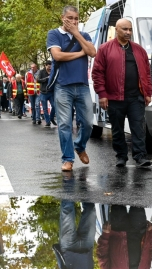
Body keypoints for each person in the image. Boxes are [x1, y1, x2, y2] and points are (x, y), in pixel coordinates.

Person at [92, 19, 152, 168]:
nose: (128, 32)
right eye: (125, 29)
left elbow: (147, 73)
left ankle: (140, 157)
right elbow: (98, 73)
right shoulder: (104, 49)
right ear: (117, 30)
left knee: (138, 128)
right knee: (117, 129)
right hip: (114, 97)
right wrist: (102, 94)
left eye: (130, 29)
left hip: (135, 97)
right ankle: (121, 156)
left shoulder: (139, 50)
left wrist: (147, 92)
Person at [47, 5, 97, 172]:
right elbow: (58, 55)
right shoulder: (54, 34)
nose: (74, 21)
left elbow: (92, 52)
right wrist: (81, 53)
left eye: (76, 18)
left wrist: (76, 33)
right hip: (62, 86)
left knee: (88, 123)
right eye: (70, 18)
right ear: (63, 18)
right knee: (64, 125)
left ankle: (80, 146)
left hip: (82, 85)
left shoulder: (83, 35)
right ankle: (68, 159)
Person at [97, 205, 152, 269]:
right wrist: (150, 233)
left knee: (118, 198)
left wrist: (106, 234)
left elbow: (102, 254)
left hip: (117, 229)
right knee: (138, 201)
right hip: (138, 229)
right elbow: (149, 250)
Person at [36, 60, 57, 127]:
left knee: (54, 106)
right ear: (45, 65)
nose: (49, 68)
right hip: (43, 93)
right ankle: (48, 122)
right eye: (48, 66)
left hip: (51, 92)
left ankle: (51, 118)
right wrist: (46, 78)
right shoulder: (41, 72)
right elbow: (38, 80)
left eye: (50, 66)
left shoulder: (53, 71)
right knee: (45, 109)